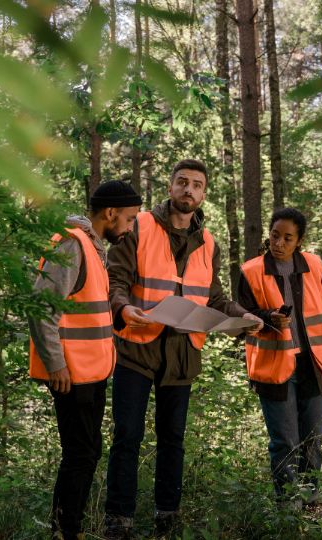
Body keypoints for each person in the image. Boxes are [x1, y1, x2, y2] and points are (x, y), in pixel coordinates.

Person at [104, 159, 263, 537]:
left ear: (204, 193)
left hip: (183, 353)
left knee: (172, 438)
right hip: (136, 347)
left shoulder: (209, 243)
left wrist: (246, 317)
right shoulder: (138, 226)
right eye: (182, 182)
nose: (188, 190)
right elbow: (116, 281)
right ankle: (118, 520)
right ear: (170, 186)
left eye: (196, 185)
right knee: (127, 434)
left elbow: (216, 298)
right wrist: (124, 308)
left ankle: (167, 516)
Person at [28, 181, 142, 539]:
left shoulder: (91, 247)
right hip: (71, 374)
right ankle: (65, 531)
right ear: (110, 213)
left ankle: (67, 527)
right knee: (80, 454)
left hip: (91, 372)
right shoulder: (72, 244)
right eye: (129, 219)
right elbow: (41, 307)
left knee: (88, 451)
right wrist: (56, 364)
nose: (129, 227)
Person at [237, 207, 322, 506]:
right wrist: (267, 318)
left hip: (314, 363)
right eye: (274, 236)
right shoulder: (251, 270)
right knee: (285, 442)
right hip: (274, 368)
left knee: (313, 437)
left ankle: (312, 498)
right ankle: (288, 506)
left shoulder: (314, 266)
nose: (279, 243)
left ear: (299, 241)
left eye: (287, 238)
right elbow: (241, 317)